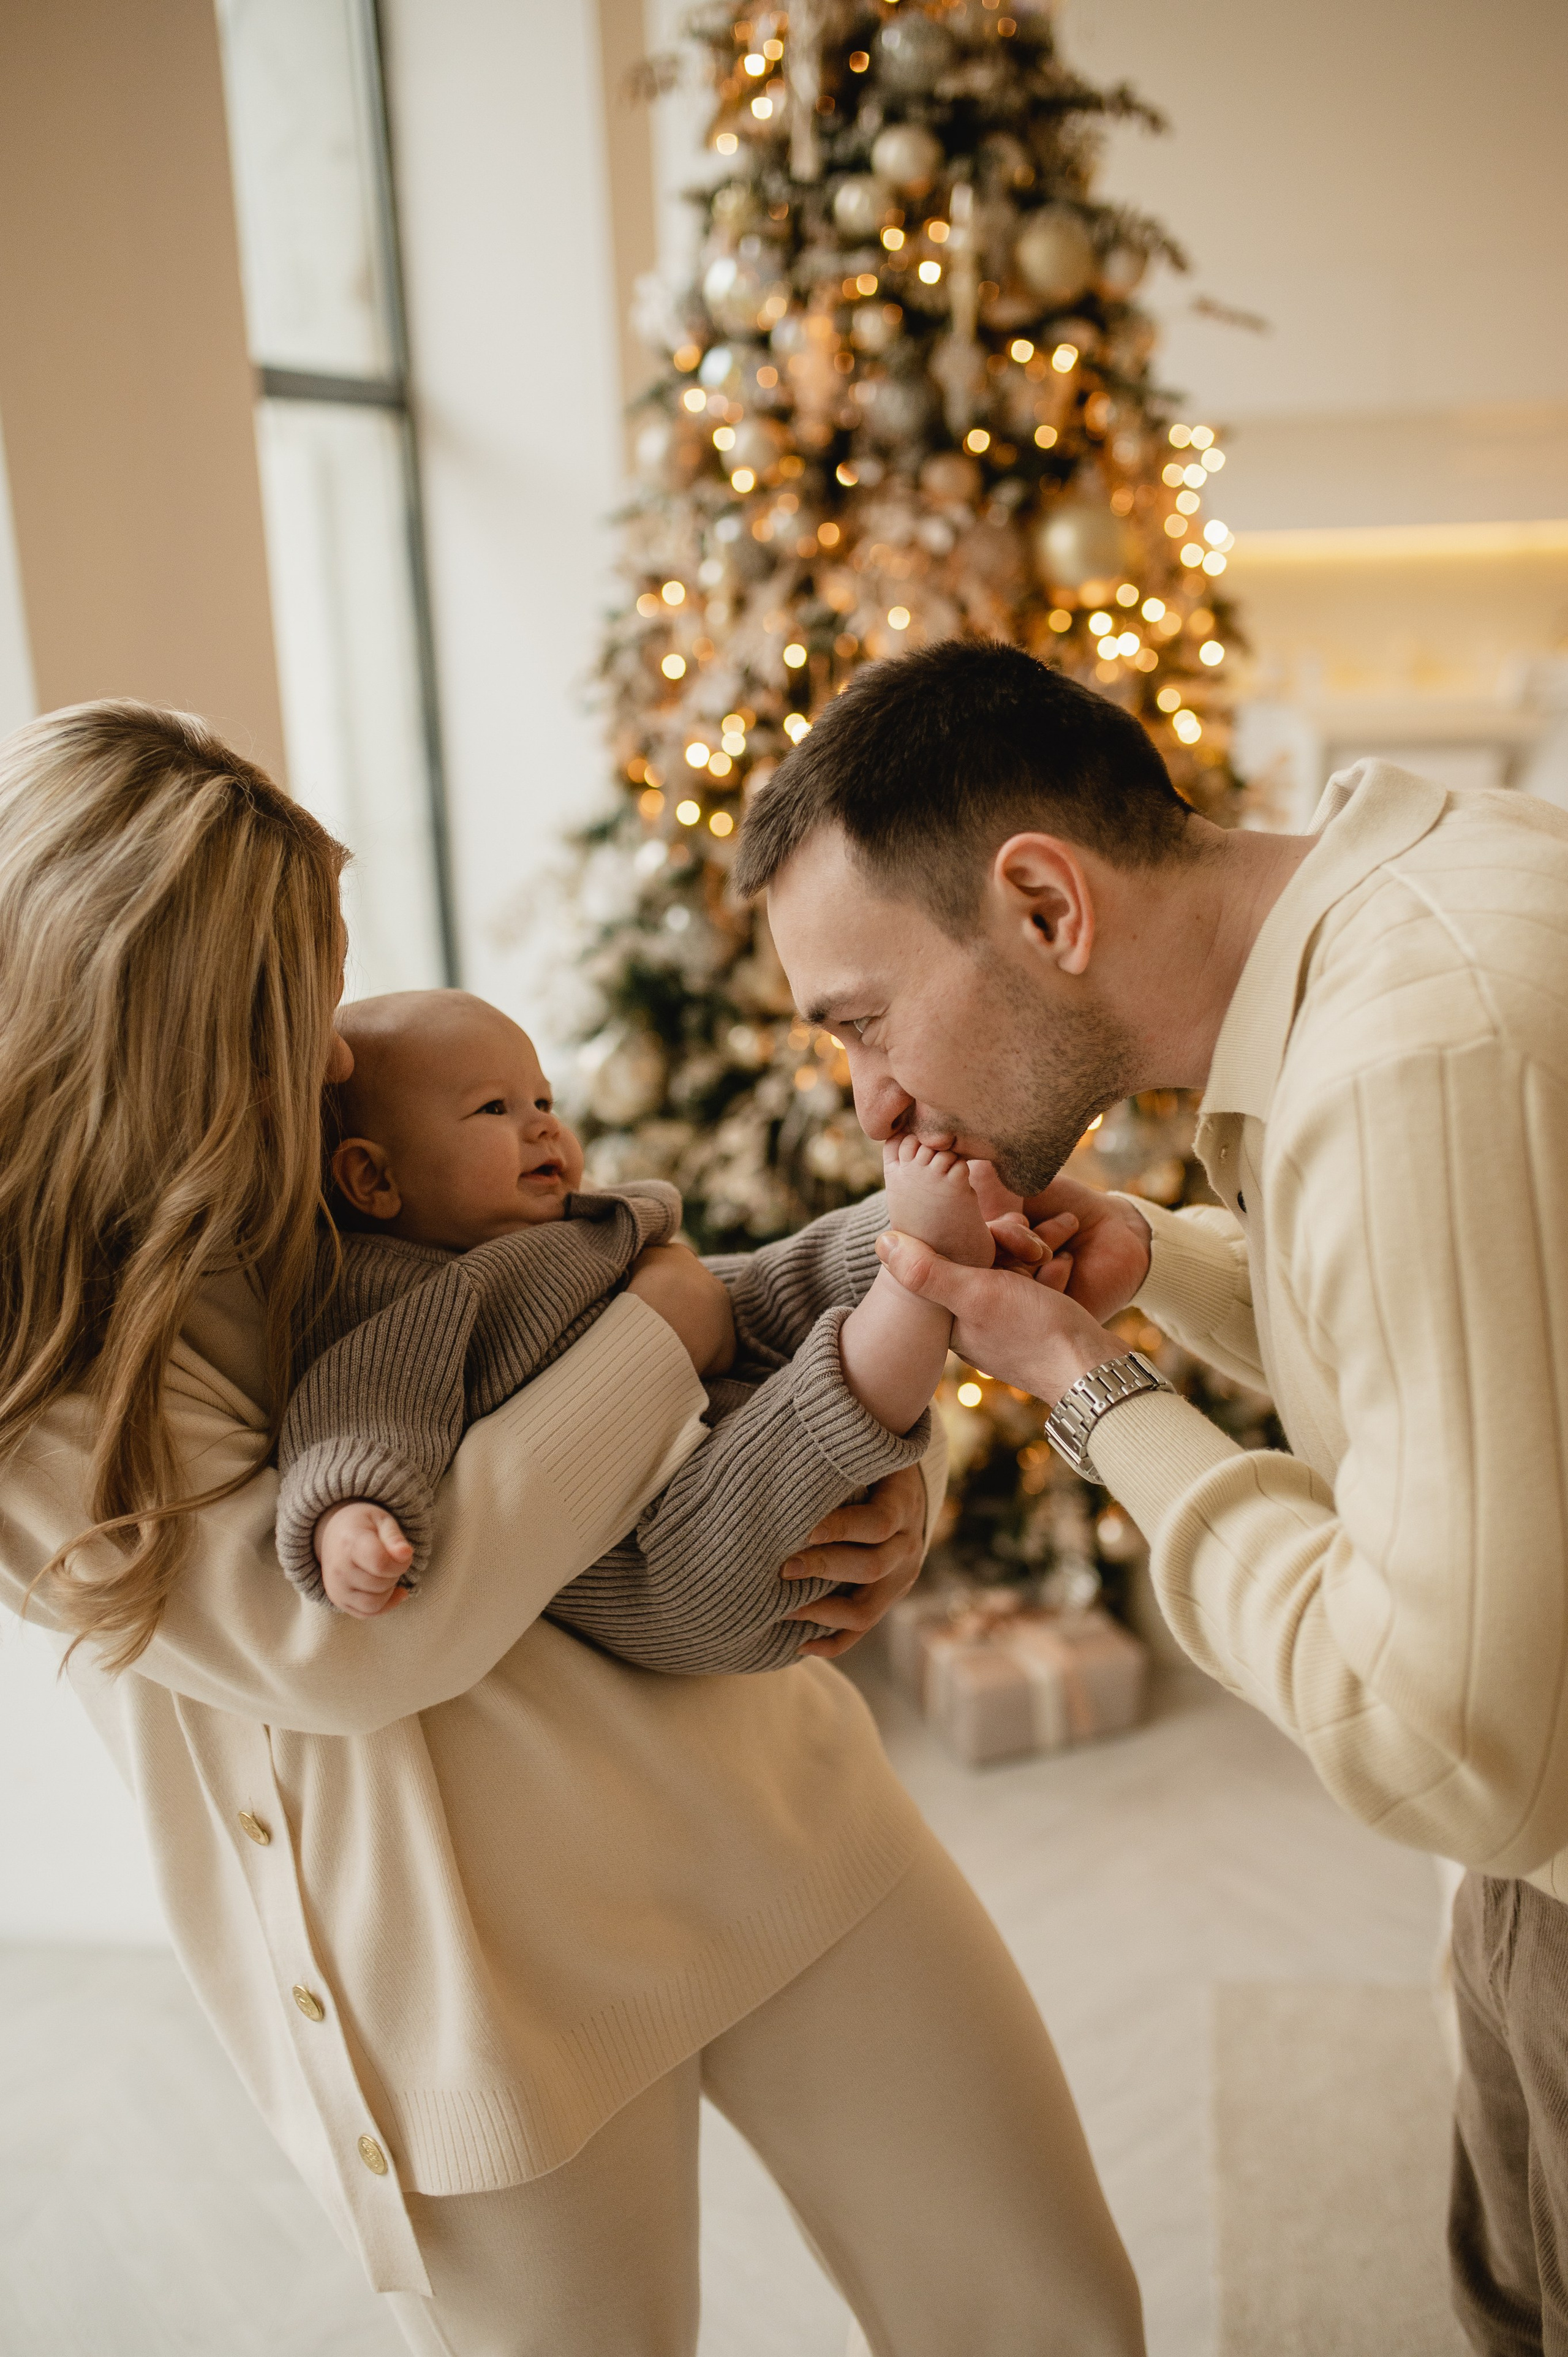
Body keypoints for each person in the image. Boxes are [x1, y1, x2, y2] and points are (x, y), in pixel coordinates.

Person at [0, 699, 1144, 2357]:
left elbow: (662, 1348)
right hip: (478, 1993)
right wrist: (659, 1335)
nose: (333, 1055)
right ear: (152, 1022)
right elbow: (342, 1648)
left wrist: (877, 1497)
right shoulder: (42, 1360)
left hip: (762, 1800)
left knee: (1052, 2317)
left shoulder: (322, 1154)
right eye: (289, 1005)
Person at [737, 634, 1568, 2357]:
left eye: (865, 1022)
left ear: (1046, 904)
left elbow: (1450, 1751)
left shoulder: (1410, 1056)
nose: (875, 1103)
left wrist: (1092, 1395)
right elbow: (1487, 1347)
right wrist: (1160, 1264)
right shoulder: (1438, 891)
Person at [280, 986, 997, 1655]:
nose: (543, 1126)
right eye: (494, 1109)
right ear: (374, 1179)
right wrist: (347, 1515)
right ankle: (919, 1276)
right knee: (809, 1393)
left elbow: (724, 1306)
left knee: (768, 1285)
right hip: (669, 1560)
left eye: (542, 1099)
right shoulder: (410, 1299)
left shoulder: (568, 1228)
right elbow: (356, 1412)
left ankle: (905, 1234)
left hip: (741, 1445)